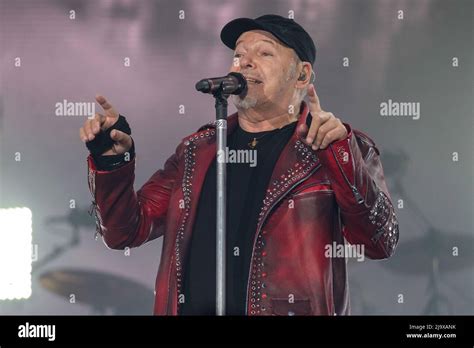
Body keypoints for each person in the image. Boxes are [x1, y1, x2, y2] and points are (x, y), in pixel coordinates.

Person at [79, 14, 399, 315]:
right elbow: (125, 232)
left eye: (265, 53)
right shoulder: (197, 151)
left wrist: (340, 153)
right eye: (238, 54)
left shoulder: (340, 146)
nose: (244, 61)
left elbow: (380, 241)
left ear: (301, 74)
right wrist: (113, 161)